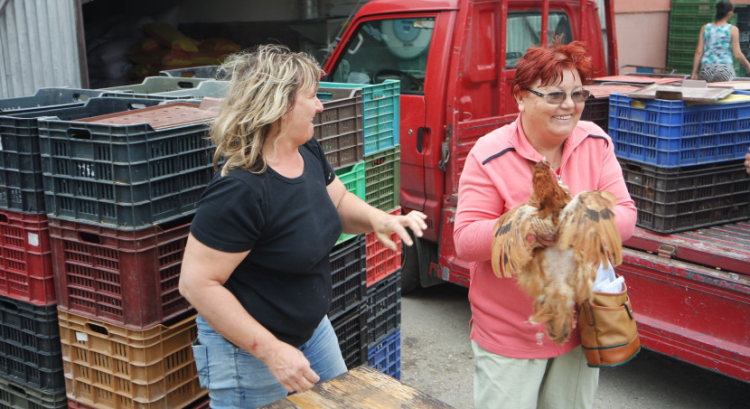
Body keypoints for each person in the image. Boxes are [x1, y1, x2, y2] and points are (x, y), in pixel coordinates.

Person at [178, 44, 427, 409]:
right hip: (249, 351)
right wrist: (272, 351)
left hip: (312, 330)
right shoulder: (241, 190)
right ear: (279, 105)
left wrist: (380, 219)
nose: (321, 105)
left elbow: (338, 200)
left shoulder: (306, 149)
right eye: (312, 96)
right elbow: (196, 283)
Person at [453, 40, 637, 409]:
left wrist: (581, 221)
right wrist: (528, 227)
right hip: (511, 331)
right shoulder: (490, 154)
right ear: (521, 97)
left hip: (581, 323)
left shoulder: (595, 142)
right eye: (554, 94)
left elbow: (627, 218)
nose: (569, 105)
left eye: (577, 93)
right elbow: (466, 240)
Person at [691, 1, 750, 82]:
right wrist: (747, 65)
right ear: (729, 13)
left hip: (706, 69)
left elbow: (699, 51)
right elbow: (737, 54)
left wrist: (694, 72)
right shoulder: (732, 29)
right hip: (724, 69)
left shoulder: (705, 28)